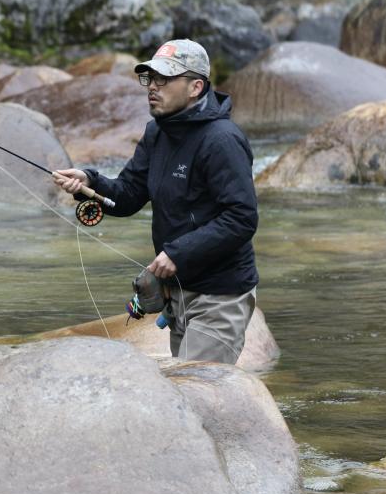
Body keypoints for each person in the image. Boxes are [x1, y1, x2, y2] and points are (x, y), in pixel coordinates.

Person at [52, 39, 258, 363]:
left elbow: (242, 218)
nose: (153, 87)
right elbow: (128, 195)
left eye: (164, 78)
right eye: (150, 78)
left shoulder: (222, 140)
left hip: (219, 296)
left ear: (195, 87)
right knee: (186, 391)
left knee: (195, 395)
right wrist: (89, 182)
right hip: (177, 292)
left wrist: (178, 253)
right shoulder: (157, 133)